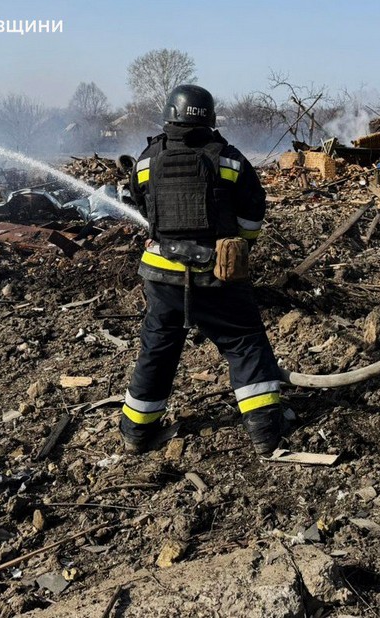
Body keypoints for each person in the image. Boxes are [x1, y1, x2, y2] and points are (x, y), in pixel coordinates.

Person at [121, 84, 284, 455]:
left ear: (169, 117)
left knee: (157, 349)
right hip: (218, 276)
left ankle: (135, 432)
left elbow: (144, 207)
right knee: (244, 343)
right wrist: (240, 246)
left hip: (161, 277)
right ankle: (265, 434)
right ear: (210, 118)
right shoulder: (229, 159)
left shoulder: (146, 160)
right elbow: (252, 212)